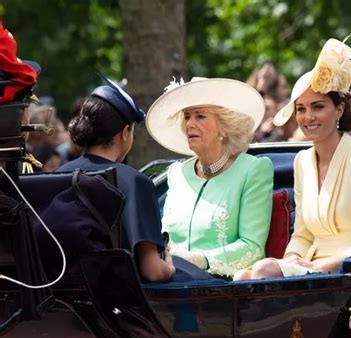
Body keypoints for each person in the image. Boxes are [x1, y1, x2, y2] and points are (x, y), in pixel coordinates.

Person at [234, 38, 351, 280]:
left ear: (338, 110)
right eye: (301, 109)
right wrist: (291, 261)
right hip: (310, 267)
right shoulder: (302, 162)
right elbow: (302, 235)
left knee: (262, 271)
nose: (308, 117)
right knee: (242, 277)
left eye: (318, 107)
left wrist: (319, 266)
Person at [146, 77, 274, 278]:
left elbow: (252, 248)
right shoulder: (177, 173)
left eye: (200, 116)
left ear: (224, 126)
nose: (190, 124)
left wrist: (200, 260)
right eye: (187, 116)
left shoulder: (253, 169)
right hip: (170, 283)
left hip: (222, 288)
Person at [56, 75, 175, 282]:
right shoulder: (135, 182)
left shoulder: (58, 175)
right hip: (117, 307)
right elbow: (153, 271)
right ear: (125, 132)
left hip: (56, 302)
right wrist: (170, 266)